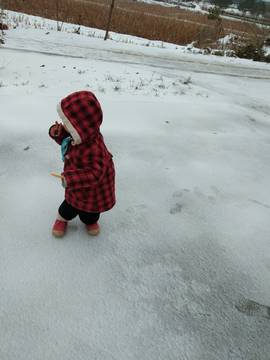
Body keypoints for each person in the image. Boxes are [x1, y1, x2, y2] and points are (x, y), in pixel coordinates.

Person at [49, 91, 115, 237]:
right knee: (69, 206)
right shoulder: (82, 135)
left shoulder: (95, 148)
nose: (64, 125)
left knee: (90, 212)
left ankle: (89, 220)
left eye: (67, 124)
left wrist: (70, 179)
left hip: (93, 188)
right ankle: (62, 218)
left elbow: (95, 173)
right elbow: (69, 143)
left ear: (79, 126)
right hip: (77, 184)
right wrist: (58, 134)